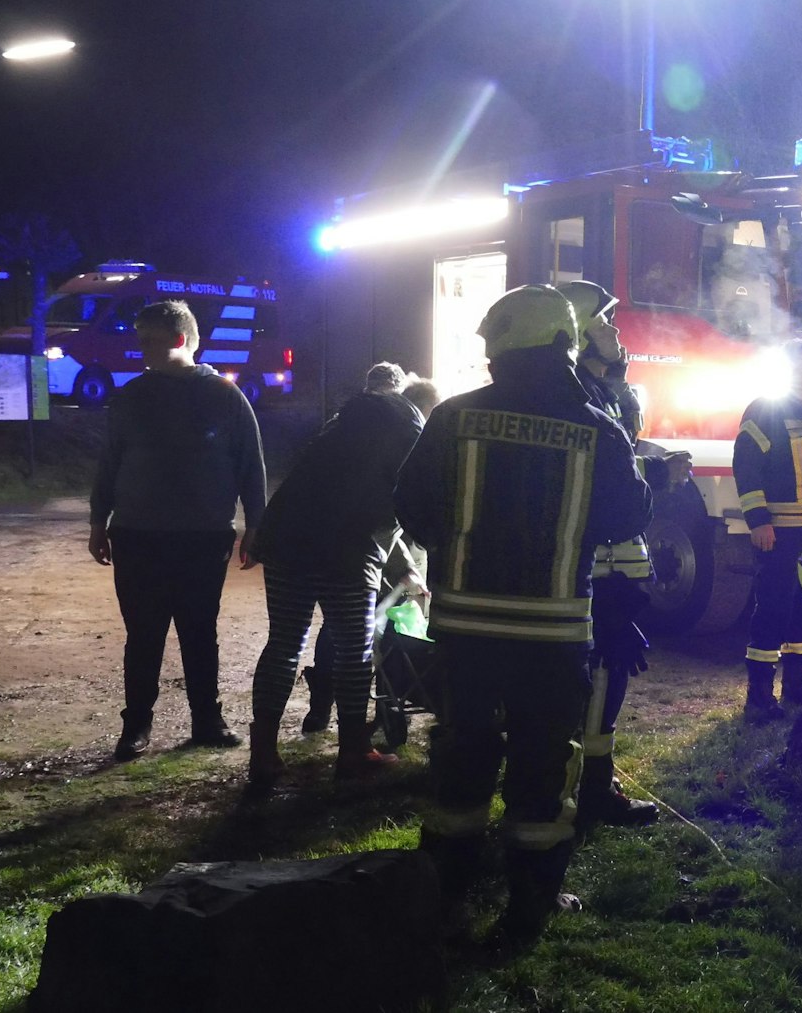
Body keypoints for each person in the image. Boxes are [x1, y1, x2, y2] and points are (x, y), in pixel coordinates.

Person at [393, 284, 651, 947]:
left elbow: (412, 505)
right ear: (563, 341)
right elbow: (628, 514)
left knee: (463, 751)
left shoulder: (453, 417)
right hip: (554, 629)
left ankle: (444, 886)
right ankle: (527, 908)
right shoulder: (598, 427)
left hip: (465, 627)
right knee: (542, 766)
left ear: (503, 347)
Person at [88, 299, 266, 762]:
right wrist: (98, 521)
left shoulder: (225, 396)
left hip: (202, 537)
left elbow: (251, 466)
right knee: (143, 635)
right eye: (140, 338)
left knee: (199, 631)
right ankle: (136, 726)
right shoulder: (131, 397)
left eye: (150, 340)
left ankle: (207, 720)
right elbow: (109, 463)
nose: (141, 348)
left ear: (180, 340)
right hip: (137, 535)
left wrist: (255, 526)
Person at [245, 362, 423, 786]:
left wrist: (403, 566)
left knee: (284, 643)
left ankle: (264, 754)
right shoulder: (409, 430)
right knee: (354, 649)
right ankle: (353, 752)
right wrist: (413, 560)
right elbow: (404, 506)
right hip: (348, 551)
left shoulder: (338, 427)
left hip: (286, 541)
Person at [559, 280, 692, 827]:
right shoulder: (577, 394)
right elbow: (601, 473)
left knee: (608, 676)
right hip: (596, 565)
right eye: (605, 323)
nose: (616, 331)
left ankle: (588, 779)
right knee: (597, 674)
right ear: (579, 334)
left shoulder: (604, 389)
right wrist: (657, 473)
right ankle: (587, 789)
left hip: (616, 559)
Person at [295, 362, 411, 736]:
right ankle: (365, 720)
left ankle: (323, 708)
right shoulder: (395, 430)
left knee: (336, 629)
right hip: (359, 549)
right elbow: (380, 510)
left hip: (330, 542)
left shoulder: (340, 425)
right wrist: (405, 564)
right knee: (361, 632)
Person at [733, 337, 802, 722]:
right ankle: (759, 694)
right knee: (773, 606)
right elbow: (747, 466)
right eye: (801, 361)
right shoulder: (765, 409)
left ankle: (796, 687)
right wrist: (758, 520)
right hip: (779, 529)